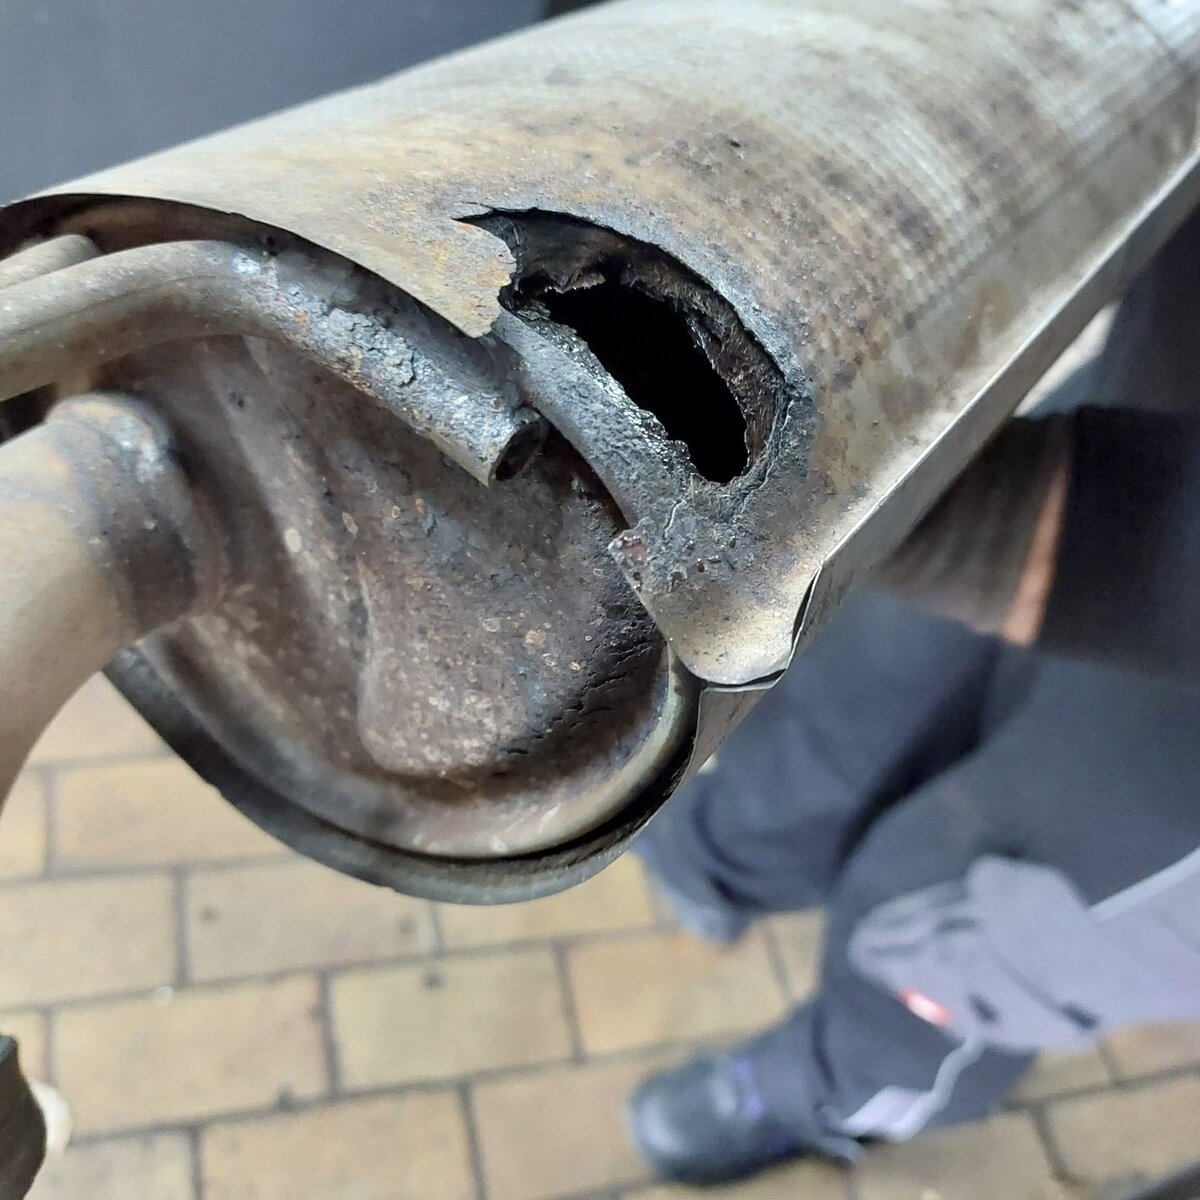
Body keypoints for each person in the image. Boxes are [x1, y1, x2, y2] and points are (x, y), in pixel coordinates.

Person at [625, 212, 1200, 1185]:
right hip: (1163, 410)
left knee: (949, 908)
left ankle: (832, 1083)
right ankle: (718, 864)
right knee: (872, 682)